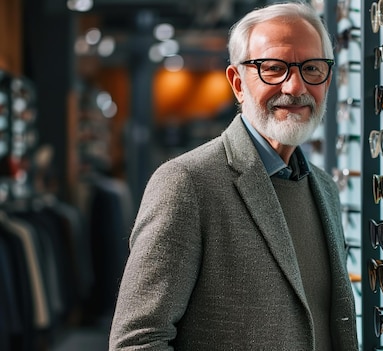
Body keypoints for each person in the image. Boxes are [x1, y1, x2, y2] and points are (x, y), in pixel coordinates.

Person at [108, 2, 359, 350]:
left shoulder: (324, 188)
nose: (295, 86)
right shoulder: (187, 184)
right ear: (238, 82)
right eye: (274, 68)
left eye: (312, 68)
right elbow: (138, 341)